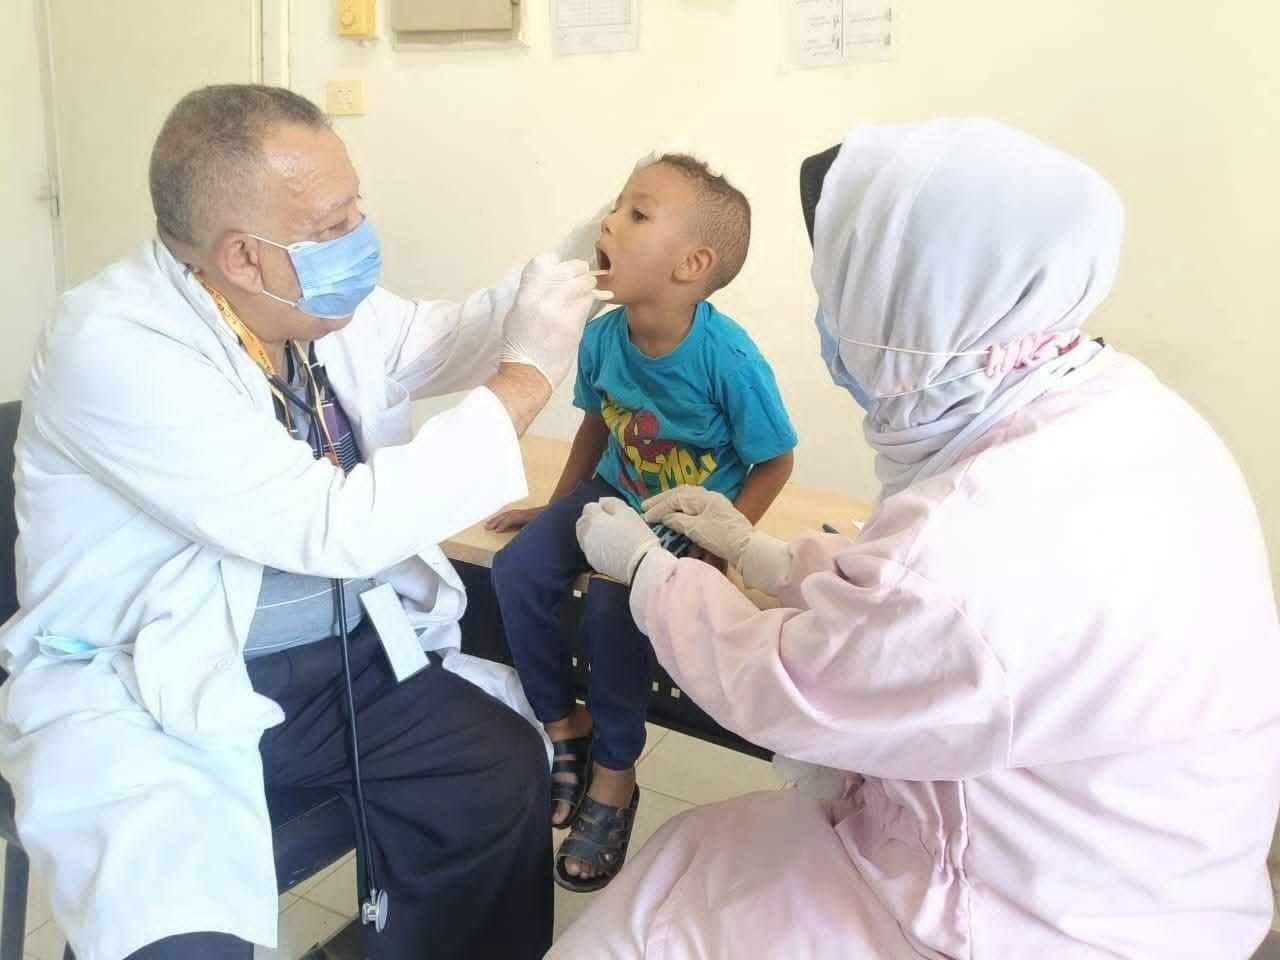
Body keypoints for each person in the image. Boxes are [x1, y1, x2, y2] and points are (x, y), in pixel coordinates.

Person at [564, 119, 1280, 958]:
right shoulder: (1113, 405)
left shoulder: (969, 546)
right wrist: (771, 557)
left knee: (641, 921)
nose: (826, 319)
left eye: (836, 289)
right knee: (688, 860)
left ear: (913, 300)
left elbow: (796, 684)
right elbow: (907, 598)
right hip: (1121, 857)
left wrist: (650, 571)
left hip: (1028, 916)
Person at [0, 84, 602, 960]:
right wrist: (527, 380)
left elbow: (436, 339)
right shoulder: (117, 343)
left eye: (357, 207)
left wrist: (571, 273)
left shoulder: (301, 302)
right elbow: (331, 526)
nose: (360, 235)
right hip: (160, 682)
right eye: (333, 224)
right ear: (243, 256)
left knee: (498, 770)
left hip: (339, 659)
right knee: (180, 938)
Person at [486, 154, 796, 891]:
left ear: (692, 265)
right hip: (610, 489)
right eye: (617, 206)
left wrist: (726, 539)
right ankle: (565, 725)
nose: (608, 223)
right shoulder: (602, 336)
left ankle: (616, 773)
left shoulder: (728, 359)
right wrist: (556, 505)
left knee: (616, 611)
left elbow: (775, 460)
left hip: (681, 512)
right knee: (516, 570)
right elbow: (596, 425)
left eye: (637, 214)